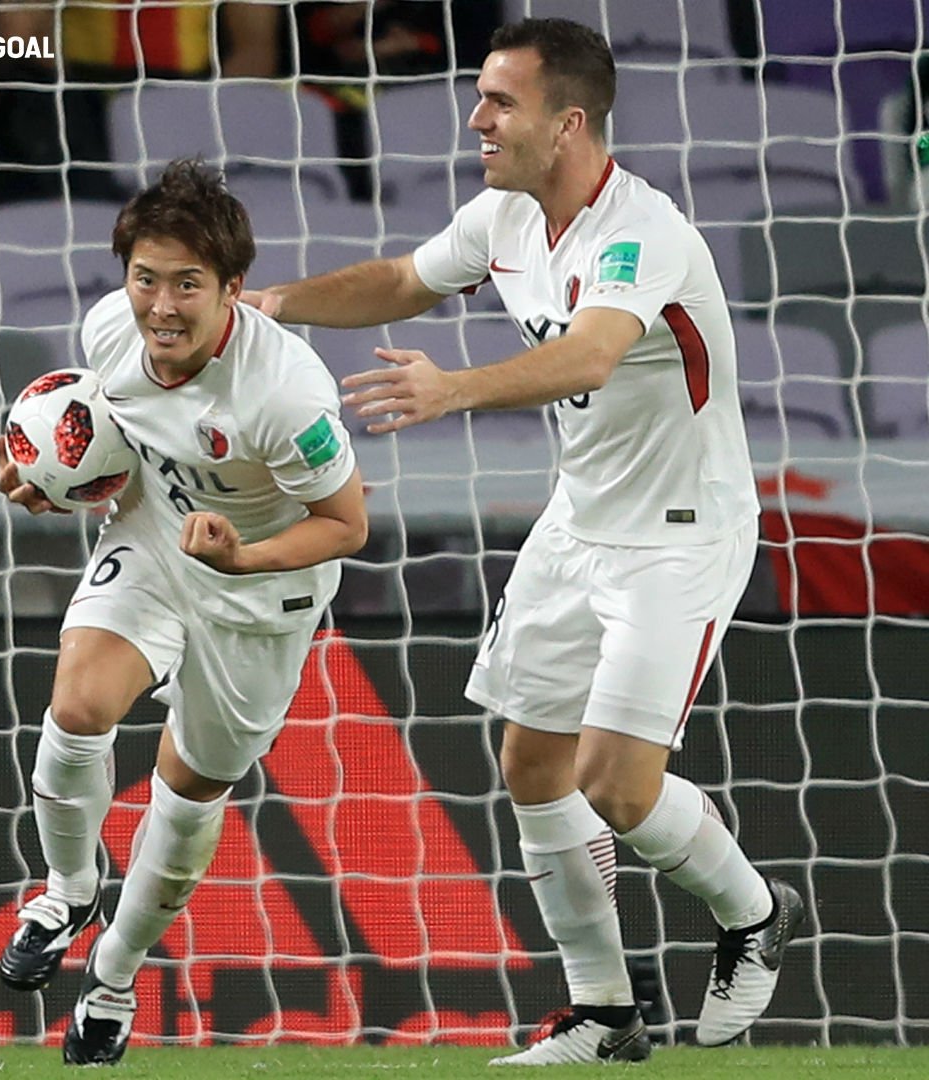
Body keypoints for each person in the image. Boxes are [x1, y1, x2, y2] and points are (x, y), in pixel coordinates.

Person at [242, 17, 803, 1065]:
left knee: (618, 784)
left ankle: (755, 912)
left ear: (568, 122)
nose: (478, 119)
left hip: (680, 534)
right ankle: (603, 1012)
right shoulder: (504, 214)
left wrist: (452, 389)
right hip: (578, 520)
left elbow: (590, 356)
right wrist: (277, 302)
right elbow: (403, 280)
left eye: (502, 102)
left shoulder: (643, 234)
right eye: (482, 98)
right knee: (532, 761)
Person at [0, 159, 367, 1065]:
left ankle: (114, 977)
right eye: (145, 278)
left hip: (262, 595)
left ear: (233, 289)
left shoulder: (286, 394)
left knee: (189, 789)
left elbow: (346, 525)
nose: (160, 306)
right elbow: (111, 444)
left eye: (187, 285)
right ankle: (68, 888)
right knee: (78, 704)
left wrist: (242, 556)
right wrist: (51, 480)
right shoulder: (108, 331)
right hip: (158, 540)